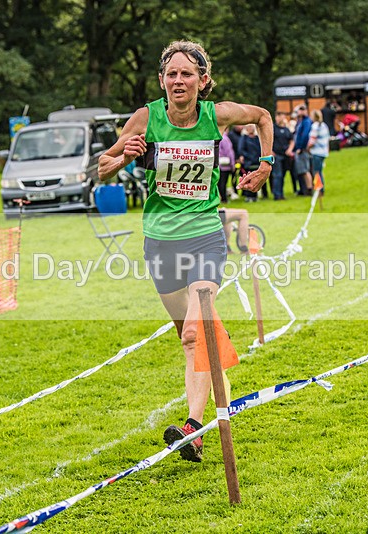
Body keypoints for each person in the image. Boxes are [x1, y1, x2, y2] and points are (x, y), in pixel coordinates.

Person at [97, 40, 273, 462]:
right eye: (171, 74)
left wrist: (265, 165)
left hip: (205, 235)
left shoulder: (218, 116)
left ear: (203, 80)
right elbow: (104, 165)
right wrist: (124, 159)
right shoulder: (145, 118)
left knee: (196, 332)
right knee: (192, 340)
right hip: (159, 242)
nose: (179, 80)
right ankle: (214, 399)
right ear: (162, 80)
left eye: (187, 73)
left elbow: (264, 117)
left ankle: (193, 428)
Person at [287, 105, 312, 195]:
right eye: (299, 110)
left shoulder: (306, 121)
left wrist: (301, 148)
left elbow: (305, 135)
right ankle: (304, 189)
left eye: (303, 110)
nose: (301, 112)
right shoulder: (299, 122)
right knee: (301, 170)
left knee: (305, 170)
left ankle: (309, 189)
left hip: (302, 149)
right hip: (297, 149)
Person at [237, 124, 263, 201]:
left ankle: (254, 196)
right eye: (248, 127)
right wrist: (248, 156)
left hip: (256, 161)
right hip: (248, 162)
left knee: (255, 178)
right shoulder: (244, 138)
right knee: (247, 178)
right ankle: (248, 196)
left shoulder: (257, 138)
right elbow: (241, 149)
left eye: (251, 127)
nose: (250, 129)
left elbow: (260, 149)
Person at [271, 110, 293, 200]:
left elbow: (292, 140)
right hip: (276, 155)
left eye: (282, 116)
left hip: (285, 155)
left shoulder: (287, 130)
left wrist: (290, 149)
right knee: (277, 175)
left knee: (283, 175)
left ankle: (281, 194)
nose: (281, 118)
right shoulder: (273, 128)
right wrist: (270, 151)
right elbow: (267, 140)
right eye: (279, 116)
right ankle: (277, 195)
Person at [308, 109, 330, 193]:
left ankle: (319, 189)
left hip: (316, 152)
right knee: (320, 171)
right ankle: (320, 188)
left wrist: (308, 148)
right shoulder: (324, 125)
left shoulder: (315, 126)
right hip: (324, 152)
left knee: (316, 172)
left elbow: (312, 140)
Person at [218, 129, 235, 203]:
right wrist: (232, 164)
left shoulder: (216, 137)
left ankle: (220, 197)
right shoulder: (225, 139)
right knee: (223, 183)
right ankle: (224, 199)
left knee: (219, 183)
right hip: (225, 165)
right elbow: (229, 152)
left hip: (218, 164)